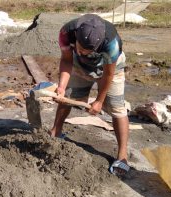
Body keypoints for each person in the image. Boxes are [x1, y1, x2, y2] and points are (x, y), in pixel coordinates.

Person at [49, 14, 130, 176]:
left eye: (88, 51)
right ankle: (55, 133)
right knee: (67, 98)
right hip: (79, 66)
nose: (83, 52)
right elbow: (66, 60)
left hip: (110, 68)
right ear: (77, 37)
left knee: (117, 108)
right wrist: (61, 87)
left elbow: (108, 75)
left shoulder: (112, 44)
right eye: (80, 48)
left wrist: (99, 100)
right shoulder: (66, 32)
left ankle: (122, 156)